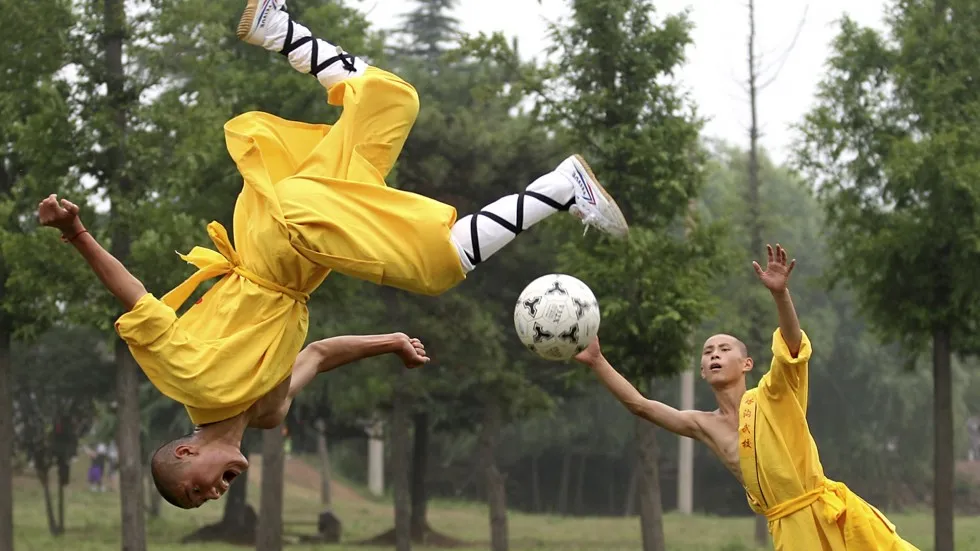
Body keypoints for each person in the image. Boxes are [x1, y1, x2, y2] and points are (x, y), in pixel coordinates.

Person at [36, 0, 628, 510]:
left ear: (186, 451)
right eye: (204, 501)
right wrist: (388, 342)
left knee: (436, 264)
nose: (212, 494)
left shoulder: (189, 382)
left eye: (193, 489)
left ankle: (558, 187)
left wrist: (76, 234)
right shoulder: (267, 412)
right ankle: (277, 27)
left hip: (285, 234)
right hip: (298, 235)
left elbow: (135, 296)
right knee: (392, 103)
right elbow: (317, 353)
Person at [575, 244, 919, 550]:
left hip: (834, 517)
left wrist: (780, 295)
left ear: (746, 364)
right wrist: (597, 360)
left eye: (724, 349)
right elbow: (641, 406)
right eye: (708, 352)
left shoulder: (774, 393)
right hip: (789, 530)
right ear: (702, 371)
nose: (714, 354)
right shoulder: (704, 424)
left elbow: (793, 347)